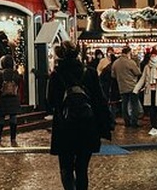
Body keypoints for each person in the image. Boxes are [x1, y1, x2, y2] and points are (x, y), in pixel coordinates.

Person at [47, 41, 111, 190]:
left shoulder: (56, 75)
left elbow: (51, 101)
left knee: (66, 168)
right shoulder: (89, 72)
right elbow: (99, 100)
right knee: (82, 169)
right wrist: (105, 125)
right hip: (87, 125)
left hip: (65, 126)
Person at [133, 49, 157, 136]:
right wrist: (136, 89)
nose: (153, 57)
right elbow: (143, 78)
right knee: (152, 109)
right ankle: (154, 127)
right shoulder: (147, 67)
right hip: (150, 90)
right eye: (152, 56)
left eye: (154, 55)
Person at [0, 54, 22, 146]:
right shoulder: (15, 73)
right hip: (14, 98)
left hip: (3, 98)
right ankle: (13, 138)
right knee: (13, 118)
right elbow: (19, 81)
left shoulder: (0, 73)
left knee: (1, 118)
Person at [111, 46, 142, 127]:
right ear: (128, 53)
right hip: (132, 86)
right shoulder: (130, 62)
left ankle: (127, 121)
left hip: (121, 86)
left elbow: (113, 75)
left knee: (124, 105)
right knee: (134, 104)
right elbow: (138, 72)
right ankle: (134, 122)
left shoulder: (116, 63)